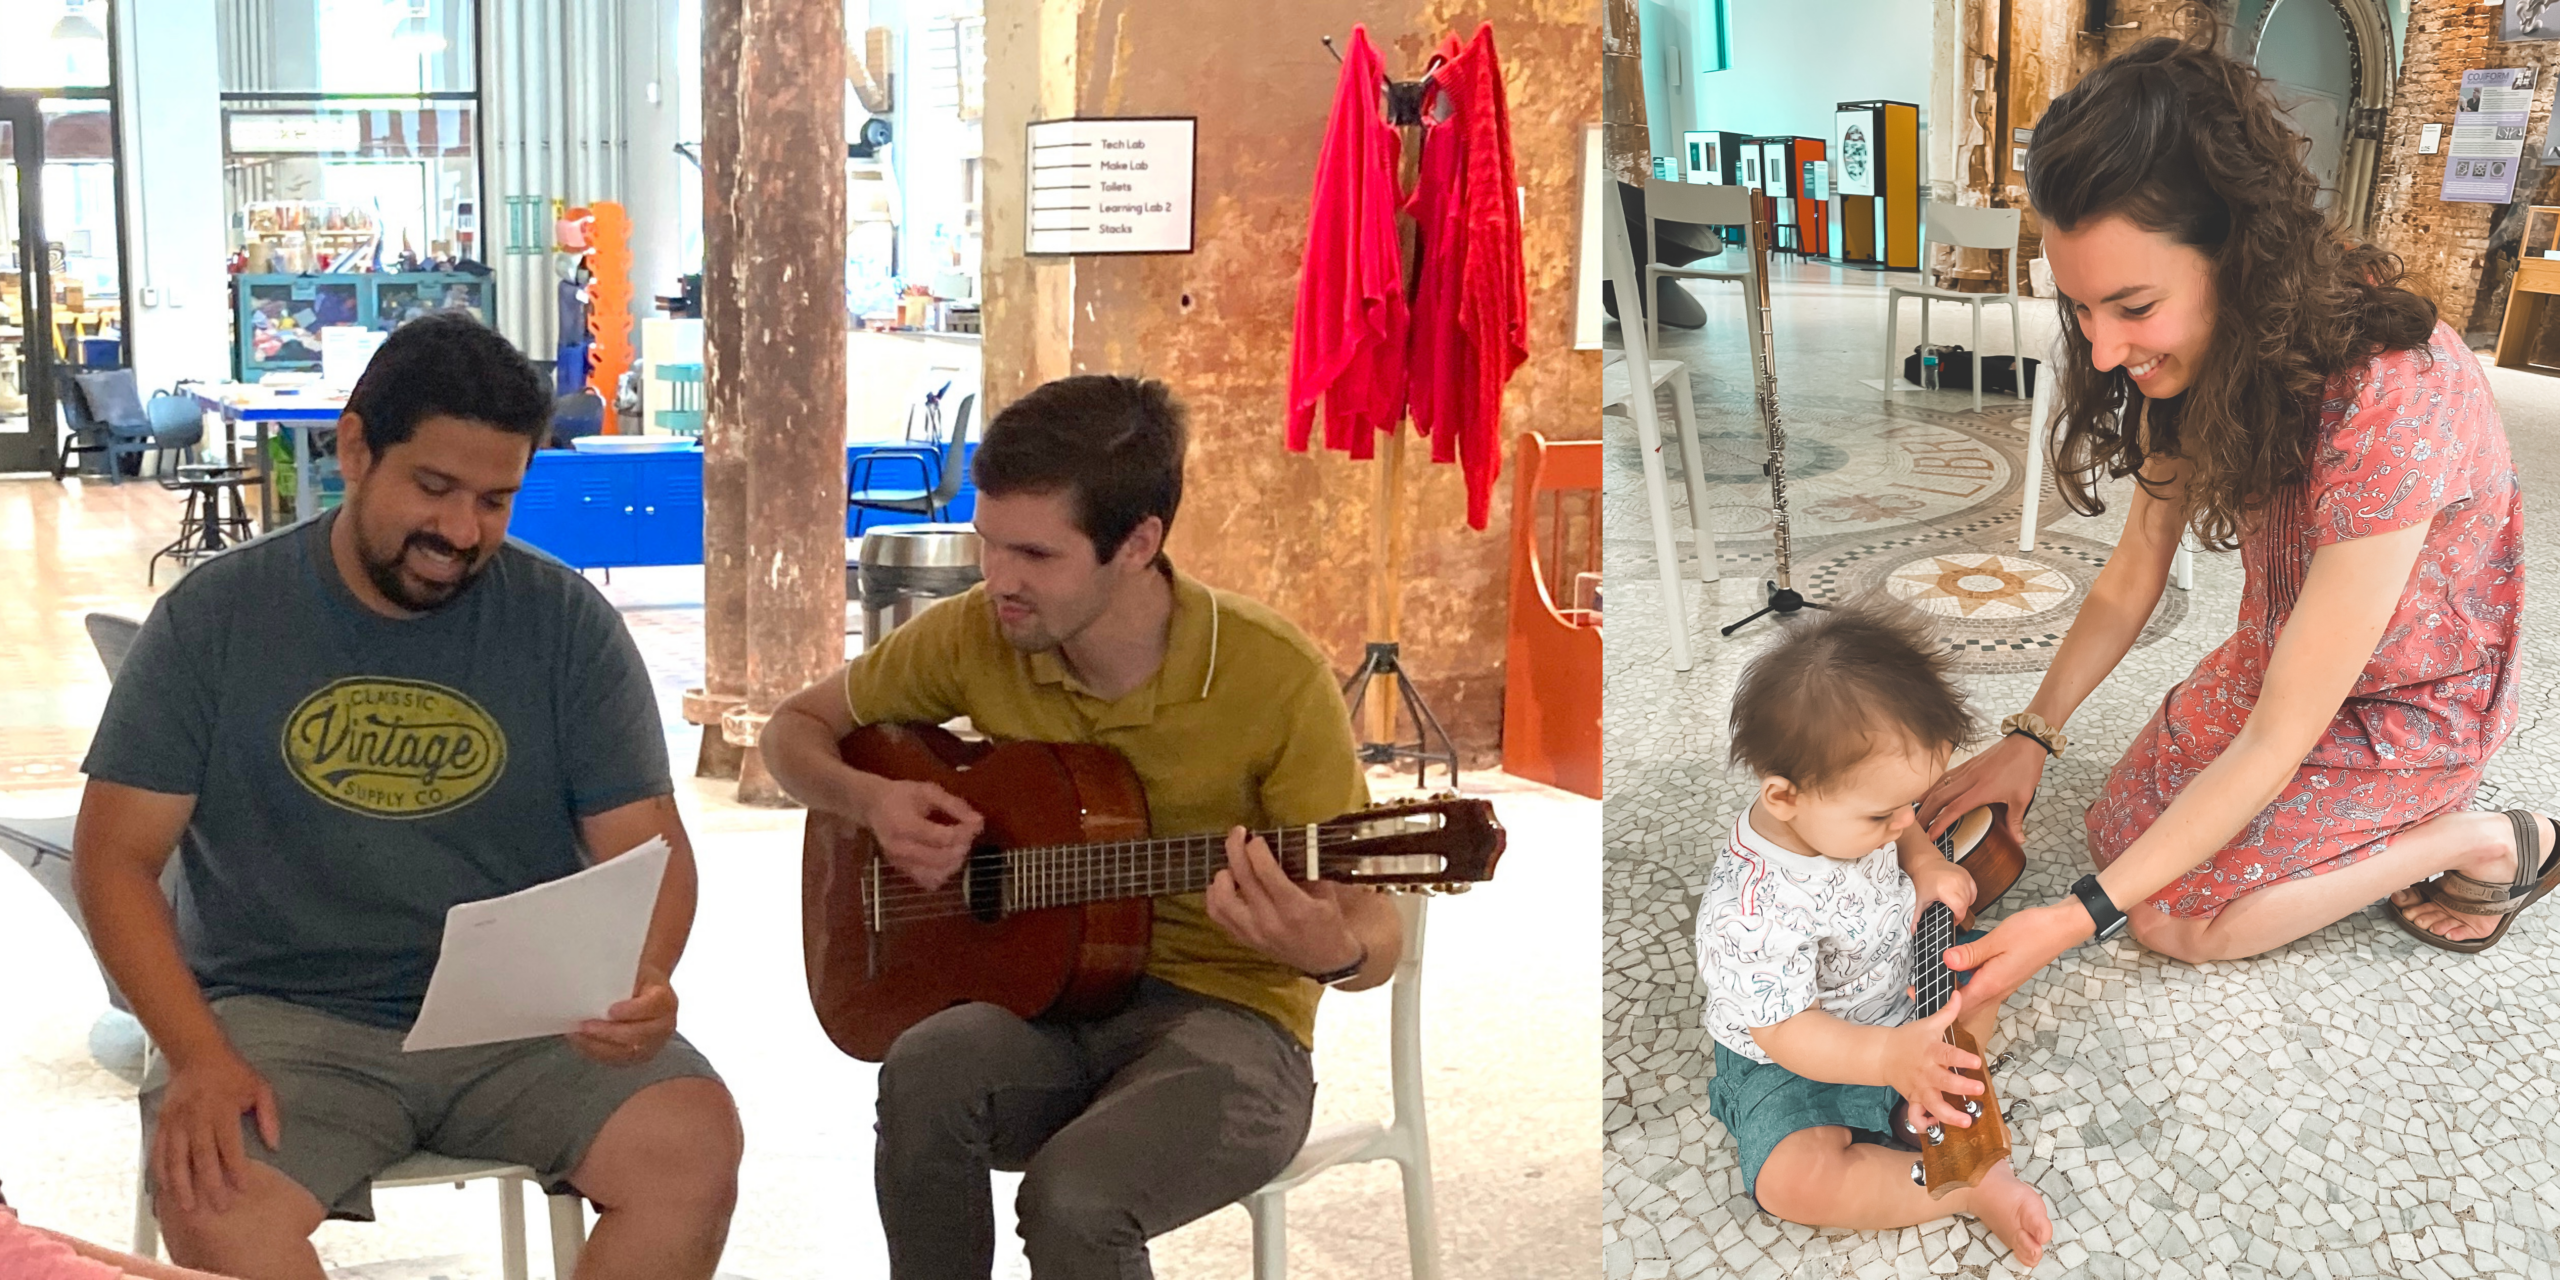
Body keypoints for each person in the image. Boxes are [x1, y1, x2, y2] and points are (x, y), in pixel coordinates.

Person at [73, 313, 742, 1280]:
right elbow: (115, 858)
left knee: (693, 1145)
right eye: (433, 488)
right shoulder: (216, 620)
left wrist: (638, 983)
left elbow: (653, 853)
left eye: (496, 501)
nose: (461, 532)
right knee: (215, 1199)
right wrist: (198, 1057)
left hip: (522, 1023)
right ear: (354, 449)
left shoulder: (566, 627)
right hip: (279, 1018)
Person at [1917, 33, 2548, 1012]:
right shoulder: (2194, 351)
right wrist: (2031, 734)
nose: (2105, 346)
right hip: (2287, 661)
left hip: (2414, 700)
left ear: (2235, 253)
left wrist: (2073, 920)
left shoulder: (2387, 389)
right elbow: (2135, 567)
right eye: (2080, 309)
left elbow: (2276, 736)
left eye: (2131, 305)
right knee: (2116, 833)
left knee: (2170, 916)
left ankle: (2475, 837)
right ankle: (2380, 826)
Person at [758, 374, 1404, 1279]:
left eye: (1035, 555)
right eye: (988, 545)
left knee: (1074, 1199)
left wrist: (1328, 948)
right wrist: (871, 803)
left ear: (1138, 543)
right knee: (925, 1070)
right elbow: (790, 733)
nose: (998, 581)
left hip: (1232, 1030)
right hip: (1049, 1002)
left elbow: (1375, 930)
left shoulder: (1273, 676)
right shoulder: (976, 634)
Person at [1697, 607, 2050, 1267]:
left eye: (1909, 805)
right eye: (1884, 814)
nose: (1904, 822)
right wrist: (1885, 1060)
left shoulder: (1853, 809)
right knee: (1791, 1180)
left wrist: (1925, 862)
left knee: (1994, 973)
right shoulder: (1750, 910)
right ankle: (1962, 1187)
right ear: (1783, 797)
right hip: (1797, 1058)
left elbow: (1903, 819)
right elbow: (1788, 1032)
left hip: (1895, 990)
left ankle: (1915, 1097)